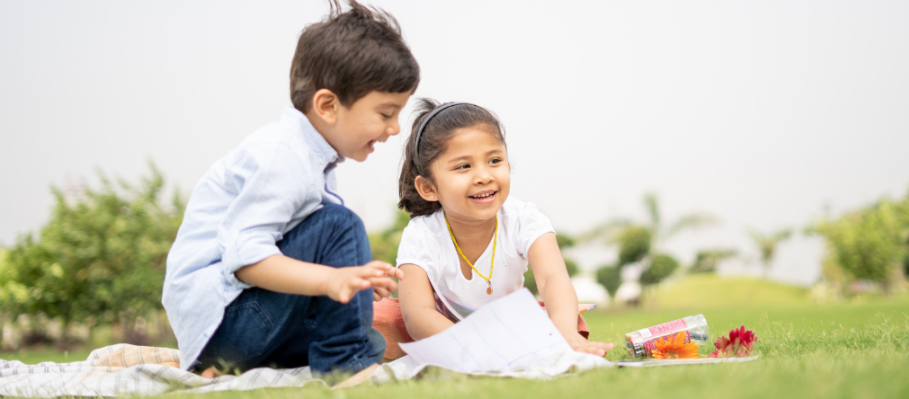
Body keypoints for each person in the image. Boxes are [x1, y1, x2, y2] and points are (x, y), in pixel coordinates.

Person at [162, 0, 418, 383]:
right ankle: (346, 367)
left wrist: (353, 283)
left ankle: (229, 368)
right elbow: (245, 258)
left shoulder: (312, 160)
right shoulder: (284, 157)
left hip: (236, 327)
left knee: (367, 333)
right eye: (385, 113)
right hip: (223, 319)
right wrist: (331, 280)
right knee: (338, 226)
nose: (395, 128)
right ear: (328, 105)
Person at [392, 99, 614, 357]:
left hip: (510, 326)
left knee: (567, 315)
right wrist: (476, 347)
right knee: (384, 318)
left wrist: (564, 330)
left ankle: (556, 340)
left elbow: (553, 278)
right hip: (447, 332)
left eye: (494, 160)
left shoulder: (523, 218)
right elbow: (418, 314)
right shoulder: (421, 234)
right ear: (428, 188)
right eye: (463, 166)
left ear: (508, 165)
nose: (484, 176)